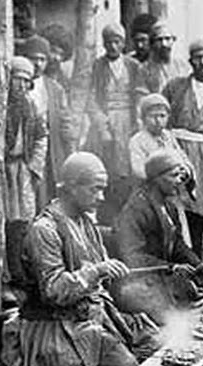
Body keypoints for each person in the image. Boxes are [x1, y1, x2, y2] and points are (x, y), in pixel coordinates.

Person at [1, 152, 159, 366]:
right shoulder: (44, 230)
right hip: (58, 325)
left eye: (102, 189)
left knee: (154, 340)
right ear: (72, 187)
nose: (101, 197)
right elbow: (53, 291)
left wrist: (111, 272)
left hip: (90, 314)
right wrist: (96, 271)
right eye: (95, 189)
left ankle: (105, 362)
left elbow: (101, 271)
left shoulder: (84, 222)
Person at [114, 150, 203, 323]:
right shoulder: (136, 209)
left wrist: (198, 265)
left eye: (180, 176)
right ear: (156, 178)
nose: (179, 181)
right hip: (138, 280)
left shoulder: (169, 207)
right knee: (176, 316)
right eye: (173, 175)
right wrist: (171, 267)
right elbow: (132, 257)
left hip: (162, 276)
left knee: (201, 292)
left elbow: (177, 244)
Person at [162, 38, 203, 261]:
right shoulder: (176, 87)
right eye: (198, 58)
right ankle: (187, 256)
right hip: (180, 151)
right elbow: (161, 115)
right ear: (190, 61)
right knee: (182, 206)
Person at [86, 22, 142, 224]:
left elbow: (140, 94)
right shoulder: (98, 66)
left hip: (128, 122)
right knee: (106, 168)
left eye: (117, 41)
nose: (112, 46)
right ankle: (107, 218)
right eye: (108, 42)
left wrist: (138, 121)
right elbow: (91, 97)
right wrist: (101, 124)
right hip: (106, 122)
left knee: (128, 170)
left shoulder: (133, 66)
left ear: (123, 43)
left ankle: (128, 218)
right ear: (103, 44)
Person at [22, 35, 76, 208]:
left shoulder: (55, 89)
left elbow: (65, 124)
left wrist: (70, 153)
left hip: (50, 151)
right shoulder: (17, 86)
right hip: (24, 150)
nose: (37, 64)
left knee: (48, 194)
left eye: (42, 59)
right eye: (33, 59)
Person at [5, 56, 49, 221]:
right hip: (4, 166)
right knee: (6, 210)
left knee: (25, 212)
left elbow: (41, 136)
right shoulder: (1, 106)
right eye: (18, 79)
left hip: (23, 165)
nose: (22, 85)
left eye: (26, 81)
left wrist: (34, 166)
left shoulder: (31, 106)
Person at [138, 21, 191, 94]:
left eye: (167, 39)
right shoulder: (143, 70)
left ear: (173, 40)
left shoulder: (183, 66)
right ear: (152, 43)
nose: (164, 44)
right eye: (159, 40)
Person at [39, 23, 75, 92]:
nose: (57, 58)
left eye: (61, 54)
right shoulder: (35, 76)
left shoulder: (64, 82)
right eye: (53, 51)